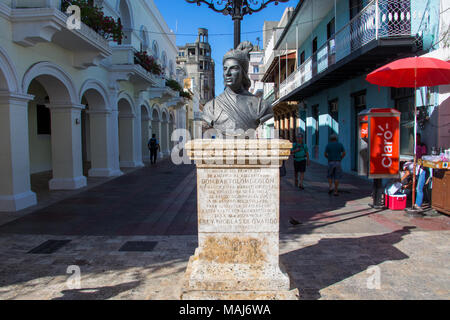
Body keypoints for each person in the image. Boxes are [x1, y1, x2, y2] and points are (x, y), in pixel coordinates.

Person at [202, 41, 273, 136]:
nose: (227, 73)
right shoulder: (211, 107)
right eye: (225, 68)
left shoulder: (261, 106)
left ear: (243, 72)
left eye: (233, 68)